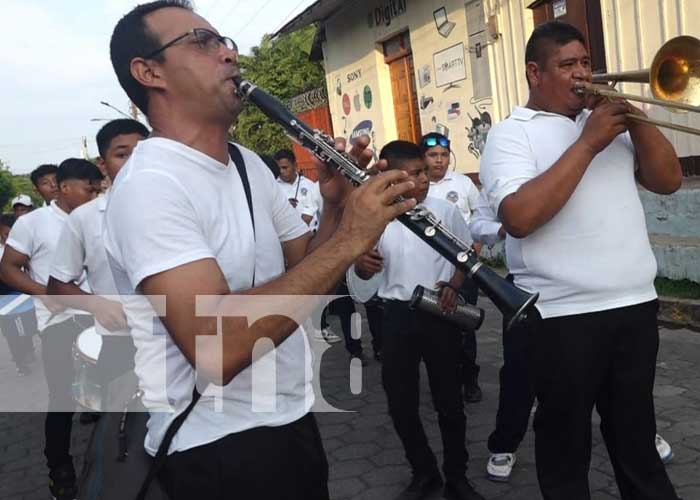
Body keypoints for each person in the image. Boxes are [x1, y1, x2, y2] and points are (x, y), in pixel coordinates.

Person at [106, 2, 414, 498]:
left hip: (288, 416)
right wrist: (353, 238)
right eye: (202, 42)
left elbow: (307, 271)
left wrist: (335, 206)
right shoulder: (150, 186)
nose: (228, 53)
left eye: (224, 40)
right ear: (149, 72)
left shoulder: (247, 163)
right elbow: (216, 349)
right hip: (214, 444)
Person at [479, 20, 682, 499]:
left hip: (633, 305)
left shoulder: (610, 124)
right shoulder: (510, 135)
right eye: (567, 64)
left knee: (637, 442)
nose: (581, 74)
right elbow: (521, 216)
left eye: (586, 63)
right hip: (560, 316)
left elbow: (669, 179)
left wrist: (633, 116)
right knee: (565, 447)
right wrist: (588, 141)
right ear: (535, 72)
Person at [470, 191, 675, 482]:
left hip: (600, 286)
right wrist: (502, 228)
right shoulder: (509, 163)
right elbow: (478, 225)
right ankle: (505, 443)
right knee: (521, 371)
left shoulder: (593, 159)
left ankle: (642, 435)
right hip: (533, 290)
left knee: (621, 378)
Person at [354, 140, 483, 500]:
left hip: (438, 313)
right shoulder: (375, 218)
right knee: (400, 402)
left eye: (424, 171)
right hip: (395, 315)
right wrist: (361, 266)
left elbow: (467, 255)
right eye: (413, 174)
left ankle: (457, 477)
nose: (423, 179)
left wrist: (455, 285)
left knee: (449, 402)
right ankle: (424, 472)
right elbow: (362, 274)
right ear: (392, 177)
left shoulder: (445, 211)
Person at [0, 158, 103, 500]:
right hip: (58, 321)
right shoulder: (34, 224)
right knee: (62, 397)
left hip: (105, 317)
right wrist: (49, 294)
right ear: (63, 188)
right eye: (87, 189)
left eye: (96, 188)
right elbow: (9, 269)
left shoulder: (104, 216)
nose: (94, 194)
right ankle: (59, 468)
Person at [48, 119, 149, 405]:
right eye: (121, 154)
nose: (133, 161)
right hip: (122, 342)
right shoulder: (86, 218)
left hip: (179, 336)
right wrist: (95, 303)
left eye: (142, 151)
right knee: (123, 426)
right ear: (102, 165)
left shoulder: (183, 205)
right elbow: (57, 285)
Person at [420, 132, 482, 404]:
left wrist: (473, 257)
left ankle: (470, 380)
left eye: (444, 155)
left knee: (464, 326)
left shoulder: (463, 183)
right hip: (430, 273)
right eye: (433, 156)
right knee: (435, 331)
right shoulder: (418, 187)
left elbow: (480, 219)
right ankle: (445, 382)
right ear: (423, 158)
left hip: (463, 271)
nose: (439, 161)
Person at [0, 213, 37, 376]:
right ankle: (19, 361)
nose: (9, 239)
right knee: (11, 333)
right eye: (6, 234)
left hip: (24, 294)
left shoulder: (23, 247)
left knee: (28, 325)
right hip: (5, 297)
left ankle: (28, 346)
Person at [274, 148, 320, 226]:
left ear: (295, 165)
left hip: (314, 233)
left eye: (285, 167)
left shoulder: (309, 185)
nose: (281, 171)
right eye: (279, 168)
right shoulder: (273, 187)